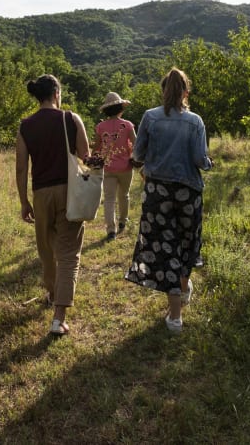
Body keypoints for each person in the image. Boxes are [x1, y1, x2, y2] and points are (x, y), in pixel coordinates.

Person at [125, 68, 212, 333]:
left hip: (157, 193)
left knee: (166, 249)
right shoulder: (195, 121)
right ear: (186, 93)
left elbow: (138, 155)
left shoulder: (150, 117)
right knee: (187, 243)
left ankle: (175, 316)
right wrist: (209, 163)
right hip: (188, 193)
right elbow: (200, 160)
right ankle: (182, 292)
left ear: (163, 91)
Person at [16, 74, 92, 336]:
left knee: (47, 250)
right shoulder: (70, 118)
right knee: (69, 253)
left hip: (41, 194)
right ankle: (59, 318)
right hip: (69, 191)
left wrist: (24, 201)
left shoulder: (25, 126)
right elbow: (85, 155)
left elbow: (21, 168)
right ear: (57, 93)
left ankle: (51, 292)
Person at [93, 92, 136, 241]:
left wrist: (92, 158)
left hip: (108, 167)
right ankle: (123, 221)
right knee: (124, 195)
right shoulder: (128, 125)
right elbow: (136, 143)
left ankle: (111, 230)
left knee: (109, 199)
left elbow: (97, 147)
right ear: (120, 108)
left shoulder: (100, 126)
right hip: (126, 167)